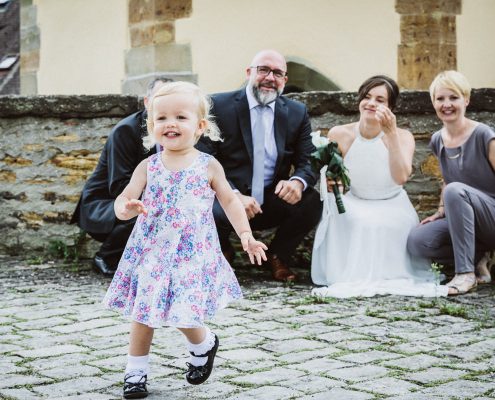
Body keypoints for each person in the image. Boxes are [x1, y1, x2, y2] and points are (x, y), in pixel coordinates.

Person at [103, 81, 268, 399]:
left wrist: (246, 235)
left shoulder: (208, 165)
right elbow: (122, 202)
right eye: (162, 118)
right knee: (143, 312)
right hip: (151, 252)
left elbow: (231, 202)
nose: (171, 124)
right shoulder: (147, 167)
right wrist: (127, 209)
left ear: (199, 126)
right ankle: (136, 372)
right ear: (152, 126)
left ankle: (203, 342)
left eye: (180, 116)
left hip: (192, 253)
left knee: (183, 310)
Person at [311, 75, 448, 298]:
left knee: (387, 223)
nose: (371, 103)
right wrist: (331, 180)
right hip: (355, 200)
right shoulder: (340, 134)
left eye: (380, 100)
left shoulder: (403, 137)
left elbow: (400, 177)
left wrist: (391, 134)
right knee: (361, 221)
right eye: (367, 97)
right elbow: (334, 178)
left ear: (391, 107)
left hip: (392, 202)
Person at [196, 49, 322, 282]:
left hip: (270, 199)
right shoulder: (217, 105)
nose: (269, 77)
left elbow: (309, 159)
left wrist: (297, 181)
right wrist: (232, 195)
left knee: (312, 201)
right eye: (263, 70)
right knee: (202, 201)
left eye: (277, 73)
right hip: (225, 198)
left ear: (284, 80)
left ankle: (278, 256)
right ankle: (223, 251)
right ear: (249, 73)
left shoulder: (296, 112)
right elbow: (203, 158)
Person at [70, 77, 171, 275]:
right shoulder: (126, 130)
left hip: (144, 198)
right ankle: (106, 256)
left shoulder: (177, 130)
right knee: (150, 209)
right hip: (104, 204)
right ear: (147, 102)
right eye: (160, 98)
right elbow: (118, 186)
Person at [407, 71, 495, 295]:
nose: (447, 104)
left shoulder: (484, 135)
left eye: (453, 98)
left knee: (456, 191)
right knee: (418, 242)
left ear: (466, 99)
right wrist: (440, 211)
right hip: (463, 213)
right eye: (440, 98)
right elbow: (448, 179)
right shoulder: (438, 139)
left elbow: (455, 188)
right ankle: (478, 257)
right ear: (433, 102)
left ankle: (465, 274)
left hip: (491, 216)